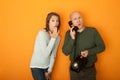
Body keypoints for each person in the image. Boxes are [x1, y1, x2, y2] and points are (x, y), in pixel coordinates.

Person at [62, 11, 105, 80]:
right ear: (71, 23)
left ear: (82, 19)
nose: (78, 20)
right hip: (75, 71)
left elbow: (102, 47)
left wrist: (89, 52)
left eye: (80, 18)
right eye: (75, 19)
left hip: (89, 70)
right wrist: (72, 38)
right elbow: (65, 52)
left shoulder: (92, 31)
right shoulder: (68, 34)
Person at [30, 12, 61, 80]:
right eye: (53, 20)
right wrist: (53, 38)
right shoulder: (42, 33)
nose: (55, 23)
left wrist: (49, 70)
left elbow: (53, 54)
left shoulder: (58, 38)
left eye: (57, 21)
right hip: (37, 66)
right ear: (48, 22)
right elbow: (45, 54)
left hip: (47, 66)